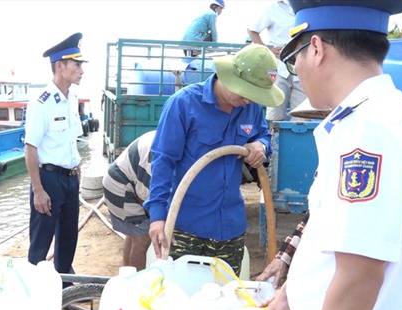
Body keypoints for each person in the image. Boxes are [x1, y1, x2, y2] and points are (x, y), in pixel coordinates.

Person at [261, 0, 402, 310]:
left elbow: (358, 276)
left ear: (317, 49)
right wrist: (290, 293)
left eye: (295, 61)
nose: (299, 73)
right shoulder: (383, 115)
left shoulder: (369, 128)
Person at [144, 44, 284, 275]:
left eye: (254, 96)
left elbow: (263, 135)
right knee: (179, 296)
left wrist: (261, 145)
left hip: (230, 226)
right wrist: (158, 217)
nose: (249, 101)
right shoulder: (184, 104)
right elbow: (163, 161)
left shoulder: (250, 107)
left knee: (226, 297)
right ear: (228, 76)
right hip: (185, 226)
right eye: (246, 93)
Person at [24, 32, 86, 287]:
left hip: (71, 178)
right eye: (77, 64)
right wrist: (38, 190)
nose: (82, 70)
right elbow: (30, 149)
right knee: (41, 240)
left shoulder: (72, 98)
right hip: (49, 178)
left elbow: (71, 141)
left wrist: (77, 170)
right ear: (59, 66)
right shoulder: (42, 103)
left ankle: (64, 284)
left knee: (69, 236)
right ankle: (33, 288)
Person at [102, 130, 156, 271]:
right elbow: (144, 199)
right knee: (142, 238)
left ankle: (127, 275)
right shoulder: (156, 156)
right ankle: (138, 286)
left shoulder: (163, 137)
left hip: (120, 181)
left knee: (133, 234)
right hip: (121, 188)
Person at [247, 0, 307, 122]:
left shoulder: (307, 7)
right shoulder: (273, 8)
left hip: (302, 65)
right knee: (274, 115)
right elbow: (252, 30)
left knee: (302, 117)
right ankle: (273, 140)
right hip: (279, 67)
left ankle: (297, 141)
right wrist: (268, 49)